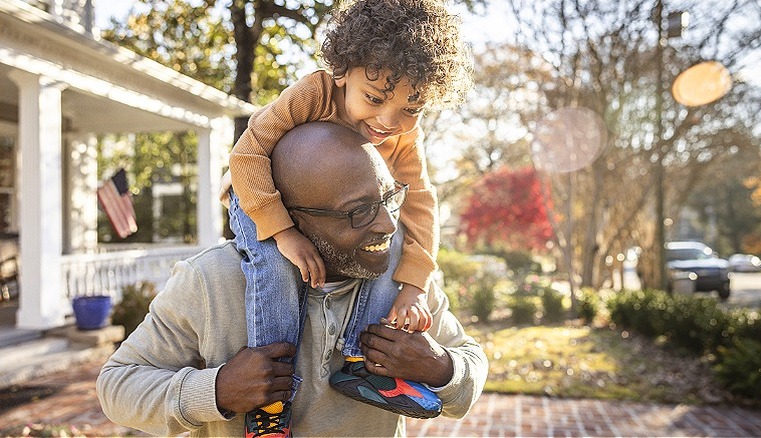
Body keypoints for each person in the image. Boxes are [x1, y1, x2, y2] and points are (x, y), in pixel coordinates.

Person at [97, 122, 487, 437]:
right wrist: (215, 391)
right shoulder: (211, 281)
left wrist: (439, 366)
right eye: (360, 211)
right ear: (293, 220)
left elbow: (470, 370)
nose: (388, 224)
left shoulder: (405, 278)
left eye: (388, 199)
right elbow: (117, 387)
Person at [223, 0, 473, 430]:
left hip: (344, 219)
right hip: (261, 198)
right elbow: (247, 153)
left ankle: (362, 362)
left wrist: (415, 285)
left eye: (411, 108)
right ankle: (268, 404)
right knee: (278, 272)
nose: (389, 120)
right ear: (343, 72)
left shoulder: (404, 137)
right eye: (374, 98)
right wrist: (283, 232)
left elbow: (420, 204)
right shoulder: (313, 93)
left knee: (389, 241)